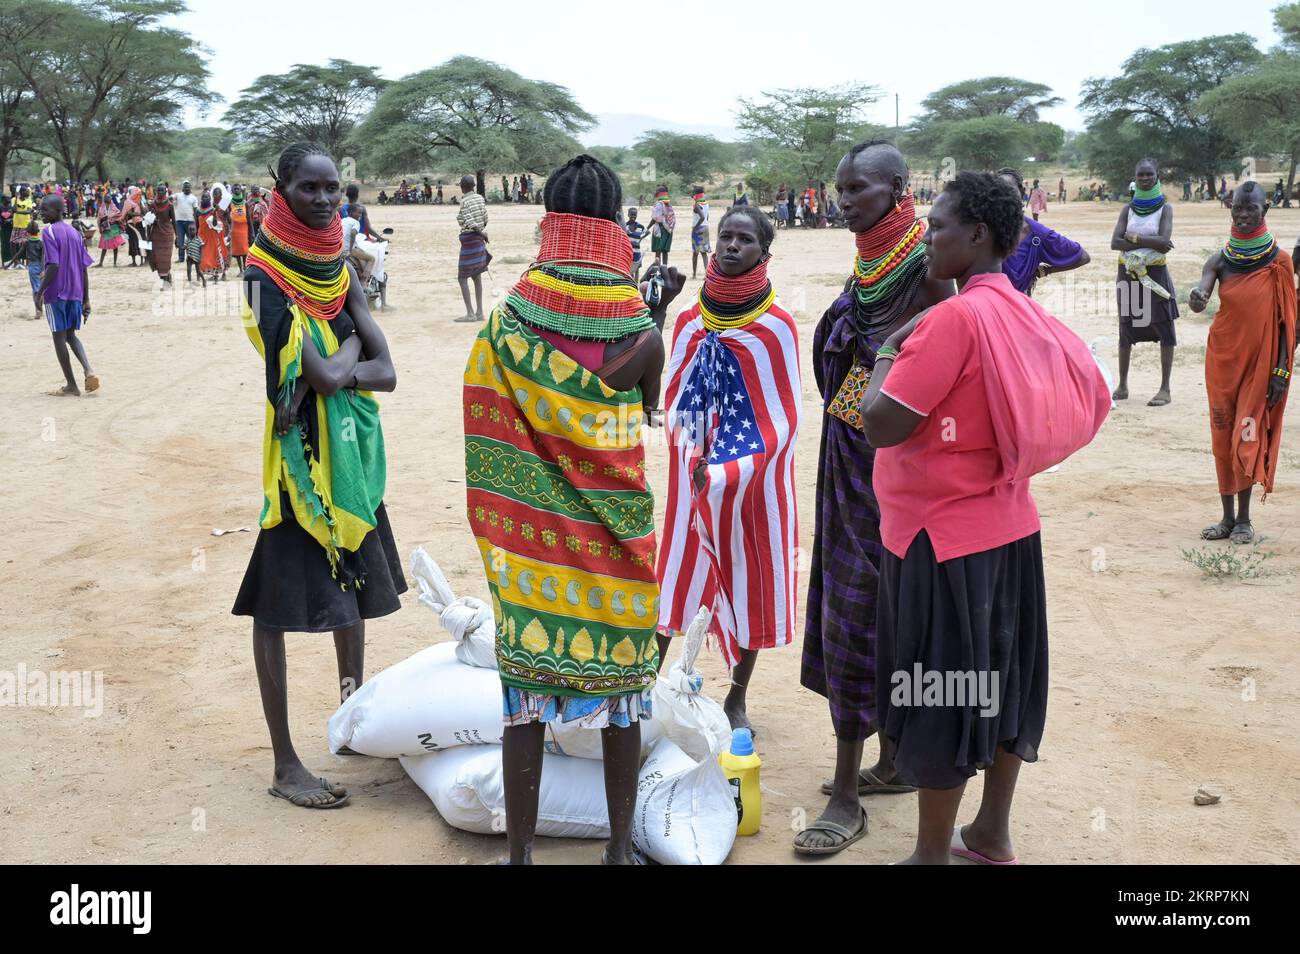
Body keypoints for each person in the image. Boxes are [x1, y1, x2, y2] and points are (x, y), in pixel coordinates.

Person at [858, 170, 1105, 864]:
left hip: (940, 543)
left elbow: (878, 425)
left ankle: (930, 855)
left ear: (980, 234)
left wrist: (886, 350)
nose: (925, 240)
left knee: (938, 691)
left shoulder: (954, 320)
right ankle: (990, 831)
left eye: (937, 227)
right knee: (1002, 684)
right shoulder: (1022, 310)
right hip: (1011, 534)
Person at [464, 154, 675, 864]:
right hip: (615, 544)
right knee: (622, 699)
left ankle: (520, 855)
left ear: (549, 222)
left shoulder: (504, 328)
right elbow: (638, 422)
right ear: (616, 226)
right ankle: (619, 849)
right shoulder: (644, 338)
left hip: (530, 549)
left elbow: (488, 426)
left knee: (523, 698)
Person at [795, 140, 955, 856]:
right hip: (846, 457)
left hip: (895, 468)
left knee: (872, 613)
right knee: (851, 607)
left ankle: (850, 794)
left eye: (856, 189)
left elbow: (937, 361)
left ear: (896, 188)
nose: (843, 200)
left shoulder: (929, 270)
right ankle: (883, 761)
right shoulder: (873, 267)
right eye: (839, 188)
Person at [235, 142, 401, 810]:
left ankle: (351, 719)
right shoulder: (263, 275)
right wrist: (353, 345)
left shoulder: (334, 264)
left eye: (334, 188)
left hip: (351, 459)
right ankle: (284, 764)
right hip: (298, 465)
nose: (327, 200)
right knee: (274, 606)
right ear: (282, 189)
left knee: (351, 589)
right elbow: (338, 371)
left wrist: (342, 356)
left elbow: (384, 372)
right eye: (310, 189)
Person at [658, 206, 799, 734]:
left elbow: (780, 418)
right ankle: (650, 683)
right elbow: (671, 394)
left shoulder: (776, 327)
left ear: (765, 251)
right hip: (691, 472)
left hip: (753, 480)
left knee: (748, 576)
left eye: (745, 239)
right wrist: (695, 459)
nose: (731, 246)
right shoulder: (691, 319)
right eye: (726, 236)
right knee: (677, 569)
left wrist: (729, 470)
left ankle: (737, 697)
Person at [1189, 181, 1296, 545]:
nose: (1244, 214)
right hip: (1222, 362)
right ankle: (1226, 517)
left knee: (1246, 435)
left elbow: (1287, 325)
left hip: (1260, 367)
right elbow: (1201, 293)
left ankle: (1245, 520)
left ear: (1265, 211)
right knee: (1222, 438)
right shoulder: (1219, 260)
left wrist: (1281, 371)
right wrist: (1198, 298)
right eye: (1238, 208)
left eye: (1251, 208)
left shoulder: (1279, 262)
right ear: (1230, 209)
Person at [1111, 158, 1177, 406]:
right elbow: (1114, 243)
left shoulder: (1165, 209)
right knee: (1126, 326)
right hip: (1127, 272)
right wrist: (1151, 240)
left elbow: (1165, 241)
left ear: (1157, 177)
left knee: (1164, 324)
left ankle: (1165, 388)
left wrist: (1134, 237)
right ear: (1135, 178)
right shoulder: (1127, 210)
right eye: (1141, 175)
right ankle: (1123, 385)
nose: (1145, 179)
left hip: (1155, 274)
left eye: (1150, 175)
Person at [36, 193, 98, 397]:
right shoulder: (75, 233)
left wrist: (40, 291)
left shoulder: (49, 231)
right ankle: (89, 369)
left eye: (45, 209)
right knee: (71, 335)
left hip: (56, 293)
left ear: (57, 211)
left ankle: (71, 385)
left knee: (59, 338)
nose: (41, 213)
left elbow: (53, 264)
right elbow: (83, 268)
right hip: (76, 292)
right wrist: (86, 299)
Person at [996, 169, 1090, 295]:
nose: (1004, 196)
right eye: (998, 191)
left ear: (1021, 192)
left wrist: (1045, 271)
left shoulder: (1037, 234)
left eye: (1009, 189)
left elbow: (1083, 257)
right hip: (984, 310)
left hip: (1020, 309)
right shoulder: (981, 231)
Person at [455, 174, 490, 322]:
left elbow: (468, 221)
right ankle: (480, 312)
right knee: (477, 275)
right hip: (478, 240)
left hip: (469, 240)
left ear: (463, 187)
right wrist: (482, 233)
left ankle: (470, 314)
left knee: (462, 277)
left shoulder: (465, 201)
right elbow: (485, 218)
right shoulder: (480, 198)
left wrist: (481, 232)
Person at [147, 185, 175, 284]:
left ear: (165, 191)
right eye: (158, 190)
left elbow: (174, 220)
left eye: (162, 190)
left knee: (166, 258)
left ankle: (166, 280)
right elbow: (148, 219)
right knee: (157, 257)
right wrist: (147, 235)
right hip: (156, 233)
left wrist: (178, 236)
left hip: (167, 233)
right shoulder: (152, 205)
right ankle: (164, 277)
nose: (160, 192)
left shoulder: (170, 205)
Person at [197, 194, 227, 282]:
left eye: (206, 197)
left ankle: (216, 275)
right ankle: (201, 274)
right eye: (203, 197)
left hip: (212, 235)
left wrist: (214, 214)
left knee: (214, 254)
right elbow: (196, 223)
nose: (204, 198)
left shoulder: (216, 208)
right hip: (202, 235)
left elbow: (215, 223)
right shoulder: (198, 210)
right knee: (202, 255)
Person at [21, 219, 44, 319]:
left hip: (32, 267)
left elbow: (19, 254)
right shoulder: (41, 242)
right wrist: (43, 269)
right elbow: (43, 257)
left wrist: (8, 265)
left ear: (28, 232)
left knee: (35, 290)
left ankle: (38, 310)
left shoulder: (27, 243)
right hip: (41, 267)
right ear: (38, 231)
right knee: (40, 289)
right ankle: (40, 309)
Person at [171, 181, 198, 263]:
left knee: (191, 240)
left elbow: (195, 211)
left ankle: (192, 257)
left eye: (188, 187)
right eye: (185, 187)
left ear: (190, 188)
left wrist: (196, 223)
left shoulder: (194, 198)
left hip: (190, 221)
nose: (186, 188)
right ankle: (181, 258)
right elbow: (170, 198)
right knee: (180, 240)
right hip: (179, 221)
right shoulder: (178, 195)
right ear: (182, 188)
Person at [96, 194, 126, 267]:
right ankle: (101, 263)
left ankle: (114, 263)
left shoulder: (114, 208)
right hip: (105, 228)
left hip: (113, 228)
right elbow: (99, 218)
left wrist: (112, 219)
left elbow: (119, 215)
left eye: (109, 200)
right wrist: (101, 226)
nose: (108, 202)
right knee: (104, 247)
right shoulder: (101, 208)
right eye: (107, 201)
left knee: (115, 246)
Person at [650, 185, 675, 267]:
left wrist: (647, 228)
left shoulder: (658, 204)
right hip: (669, 230)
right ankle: (665, 268)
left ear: (659, 194)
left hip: (660, 230)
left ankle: (657, 269)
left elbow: (655, 219)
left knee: (658, 251)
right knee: (665, 251)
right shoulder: (669, 204)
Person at [228, 188, 251, 273]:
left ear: (241, 191)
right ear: (233, 191)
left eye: (238, 188)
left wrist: (251, 232)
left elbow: (249, 218)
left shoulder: (245, 203)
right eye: (235, 188)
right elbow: (226, 215)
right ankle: (241, 270)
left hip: (244, 229)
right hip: (235, 229)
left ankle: (245, 269)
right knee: (237, 251)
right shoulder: (230, 203)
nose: (237, 190)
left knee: (244, 250)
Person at [689, 187, 711, 278]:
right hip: (706, 227)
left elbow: (701, 217)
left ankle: (694, 275)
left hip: (698, 229)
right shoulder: (706, 204)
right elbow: (706, 217)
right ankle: (707, 275)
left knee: (695, 252)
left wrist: (696, 227)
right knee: (704, 253)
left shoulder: (697, 205)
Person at [121, 186, 145, 266]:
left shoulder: (140, 201)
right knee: (132, 242)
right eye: (136, 193)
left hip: (139, 223)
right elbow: (128, 213)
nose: (138, 195)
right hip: (131, 224)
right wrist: (138, 213)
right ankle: (134, 261)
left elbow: (144, 211)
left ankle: (142, 261)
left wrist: (140, 203)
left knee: (141, 241)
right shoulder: (128, 202)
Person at [11, 186, 35, 267]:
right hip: (16, 224)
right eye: (26, 191)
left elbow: (28, 212)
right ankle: (15, 261)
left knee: (27, 243)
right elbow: (13, 209)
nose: (28, 193)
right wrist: (16, 199)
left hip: (26, 224)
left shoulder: (29, 201)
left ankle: (28, 261)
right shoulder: (14, 200)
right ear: (21, 192)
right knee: (13, 242)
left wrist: (17, 212)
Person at [625, 206, 647, 281]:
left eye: (634, 215)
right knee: (629, 267)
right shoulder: (625, 226)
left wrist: (640, 239)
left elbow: (647, 232)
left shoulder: (640, 227)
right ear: (628, 215)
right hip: (628, 251)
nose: (633, 216)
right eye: (631, 215)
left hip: (637, 251)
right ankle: (631, 282)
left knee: (636, 268)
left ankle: (636, 283)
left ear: (636, 215)